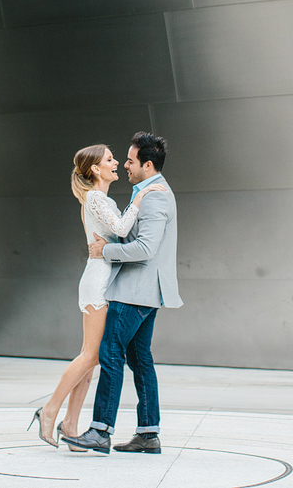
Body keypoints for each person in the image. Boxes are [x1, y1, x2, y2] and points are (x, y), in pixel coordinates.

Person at [31, 144, 164, 447]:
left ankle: (72, 423)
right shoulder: (94, 198)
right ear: (95, 169)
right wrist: (140, 198)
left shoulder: (101, 199)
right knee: (91, 355)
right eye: (109, 159)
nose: (117, 162)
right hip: (99, 282)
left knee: (92, 358)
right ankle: (49, 411)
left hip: (105, 280)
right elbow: (120, 226)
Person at [63, 132, 182, 454]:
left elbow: (144, 248)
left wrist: (107, 251)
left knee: (110, 354)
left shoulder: (154, 196)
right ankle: (148, 433)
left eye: (130, 161)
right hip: (144, 292)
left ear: (147, 164)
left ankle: (100, 430)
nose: (125, 166)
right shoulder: (148, 192)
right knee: (140, 360)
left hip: (134, 291)